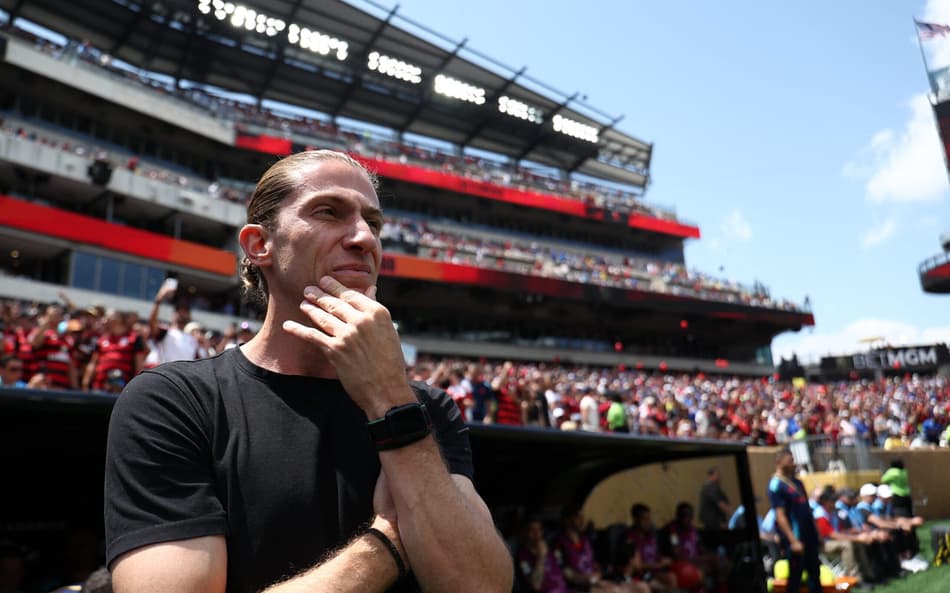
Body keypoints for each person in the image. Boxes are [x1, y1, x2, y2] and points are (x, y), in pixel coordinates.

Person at [104, 150, 512, 593]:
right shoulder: (174, 402)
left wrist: (391, 400)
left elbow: (482, 586)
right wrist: (388, 543)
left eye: (373, 223)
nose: (363, 238)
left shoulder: (427, 408)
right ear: (260, 245)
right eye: (328, 212)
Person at [767, 448, 821, 593]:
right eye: (790, 460)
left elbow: (807, 509)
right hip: (795, 536)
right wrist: (793, 541)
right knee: (796, 574)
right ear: (779, 462)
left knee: (815, 572)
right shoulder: (776, 485)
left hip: (808, 534)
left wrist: (816, 532)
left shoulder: (797, 482)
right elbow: (780, 514)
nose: (793, 463)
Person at [697, 466, 730, 531]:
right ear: (712, 475)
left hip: (711, 520)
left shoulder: (709, 486)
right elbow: (721, 504)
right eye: (718, 475)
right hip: (712, 521)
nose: (720, 477)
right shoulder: (711, 488)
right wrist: (734, 514)